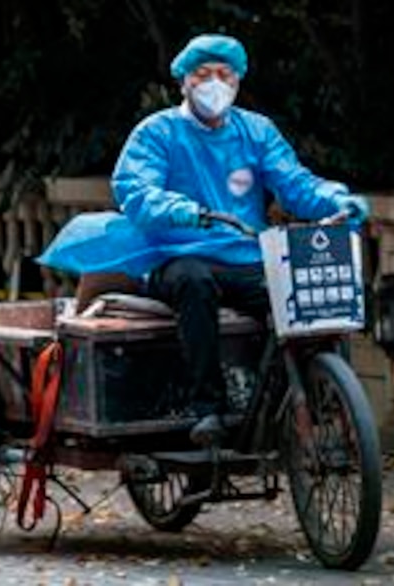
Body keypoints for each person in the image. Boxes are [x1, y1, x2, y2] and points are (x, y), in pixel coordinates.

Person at [110, 33, 370, 445]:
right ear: (183, 82)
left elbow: (295, 183)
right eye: (202, 74)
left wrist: (338, 200)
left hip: (247, 254)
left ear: (237, 81)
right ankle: (206, 409)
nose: (214, 83)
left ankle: (302, 402)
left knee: (300, 292)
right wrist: (177, 209)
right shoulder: (157, 133)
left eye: (223, 74)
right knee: (194, 282)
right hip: (176, 255)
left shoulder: (257, 131)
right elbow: (134, 190)